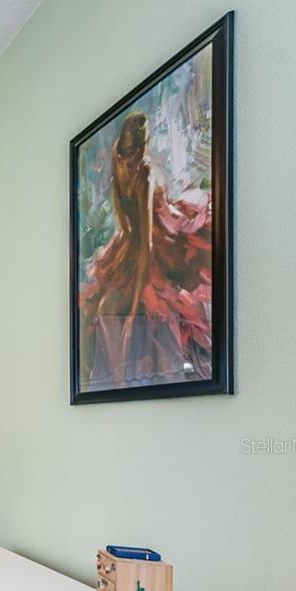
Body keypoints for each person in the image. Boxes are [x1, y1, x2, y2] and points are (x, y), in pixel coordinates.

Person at [78, 110, 214, 389]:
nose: (129, 161)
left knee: (149, 310)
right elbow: (128, 229)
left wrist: (130, 315)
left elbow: (149, 242)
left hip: (163, 239)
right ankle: (110, 382)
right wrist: (119, 264)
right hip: (136, 240)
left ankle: (148, 378)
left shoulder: (148, 174)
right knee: (100, 307)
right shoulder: (121, 168)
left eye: (132, 154)